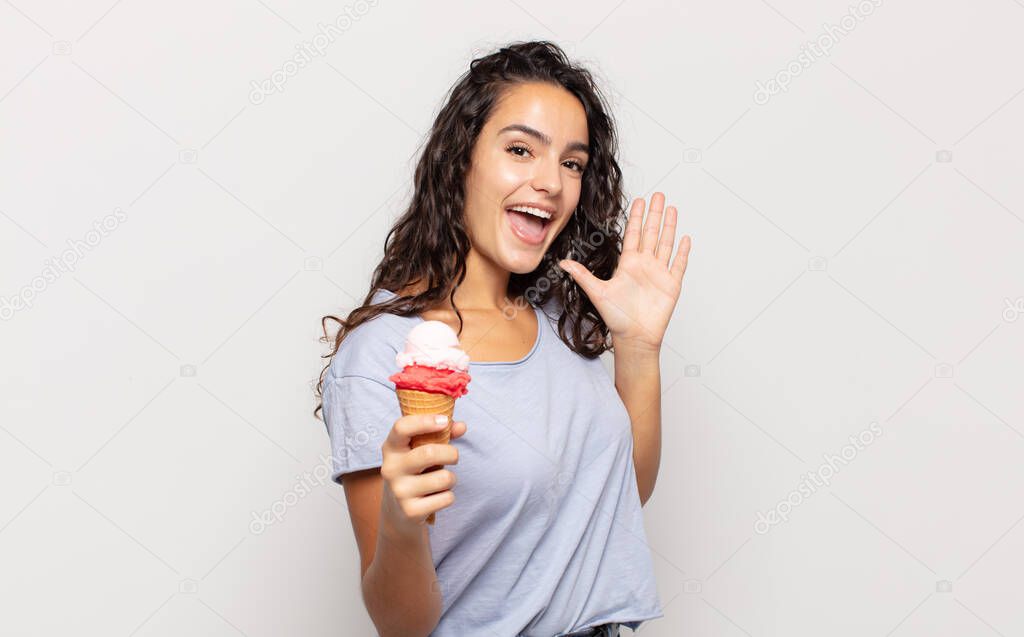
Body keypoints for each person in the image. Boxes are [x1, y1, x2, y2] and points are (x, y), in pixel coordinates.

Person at [316, 40, 692, 637]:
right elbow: (400, 625)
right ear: (460, 159)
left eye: (572, 162)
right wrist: (400, 522)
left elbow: (621, 493)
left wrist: (639, 350)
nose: (551, 182)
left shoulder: (561, 317)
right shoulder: (383, 354)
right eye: (521, 150)